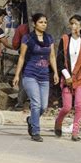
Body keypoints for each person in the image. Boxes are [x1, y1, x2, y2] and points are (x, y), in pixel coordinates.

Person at [13, 13, 59, 142]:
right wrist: (17, 75)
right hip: (30, 74)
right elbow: (21, 57)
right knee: (36, 103)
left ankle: (31, 120)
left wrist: (55, 72)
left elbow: (52, 57)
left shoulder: (49, 38)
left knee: (43, 106)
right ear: (34, 24)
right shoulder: (27, 38)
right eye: (40, 22)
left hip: (44, 75)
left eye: (45, 22)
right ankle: (35, 131)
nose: (43, 24)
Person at [55, 14, 81, 142]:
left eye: (76, 24)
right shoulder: (65, 39)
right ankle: (58, 122)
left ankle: (75, 133)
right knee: (67, 107)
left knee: (78, 105)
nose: (73, 26)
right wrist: (66, 76)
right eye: (72, 23)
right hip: (68, 78)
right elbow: (59, 60)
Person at [12, 23, 30, 110]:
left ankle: (21, 103)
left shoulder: (22, 27)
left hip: (25, 57)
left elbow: (15, 44)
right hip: (41, 60)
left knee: (23, 79)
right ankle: (32, 101)